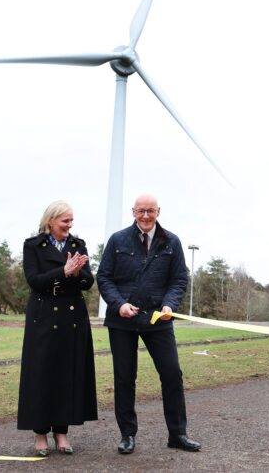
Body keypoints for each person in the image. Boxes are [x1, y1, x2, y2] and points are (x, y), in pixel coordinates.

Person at [97, 194, 201, 454]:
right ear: (133, 211)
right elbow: (104, 277)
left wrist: (170, 305)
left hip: (158, 319)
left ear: (158, 212)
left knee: (172, 374)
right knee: (124, 377)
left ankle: (177, 434)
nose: (145, 216)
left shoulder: (172, 242)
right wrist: (119, 304)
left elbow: (179, 279)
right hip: (122, 320)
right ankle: (127, 435)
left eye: (150, 211)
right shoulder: (117, 240)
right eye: (141, 211)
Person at [17, 200, 98, 456]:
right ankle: (40, 434)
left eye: (71, 220)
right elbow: (34, 281)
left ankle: (61, 433)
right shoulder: (33, 246)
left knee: (67, 374)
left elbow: (89, 281)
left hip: (72, 319)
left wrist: (76, 274)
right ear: (51, 221)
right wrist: (63, 272)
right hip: (43, 319)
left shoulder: (78, 245)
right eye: (65, 220)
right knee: (42, 375)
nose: (69, 225)